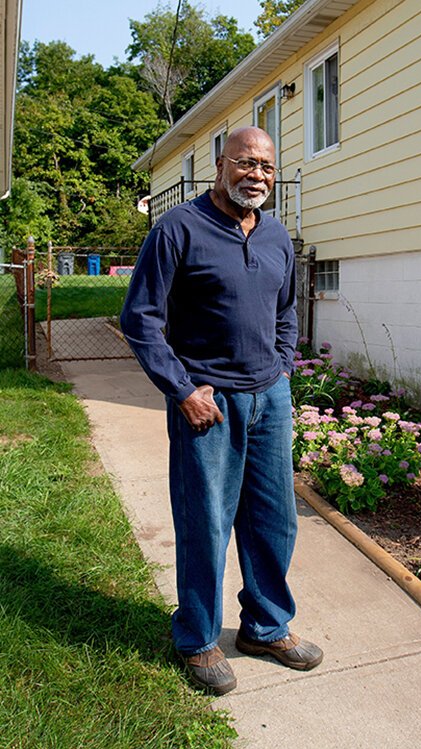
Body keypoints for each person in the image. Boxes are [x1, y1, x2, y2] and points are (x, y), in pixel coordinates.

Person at [120, 126, 323, 695]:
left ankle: (265, 625)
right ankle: (199, 638)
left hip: (270, 399)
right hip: (206, 405)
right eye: (245, 162)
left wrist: (283, 365)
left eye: (266, 166)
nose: (256, 174)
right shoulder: (177, 229)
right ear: (219, 163)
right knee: (205, 522)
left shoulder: (278, 236)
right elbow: (141, 318)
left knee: (273, 520)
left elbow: (287, 311)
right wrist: (182, 390)